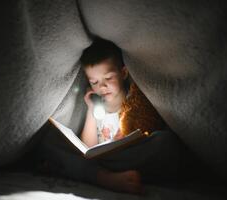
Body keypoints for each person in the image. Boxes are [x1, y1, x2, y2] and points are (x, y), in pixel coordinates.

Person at [37, 37, 185, 195]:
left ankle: (94, 174)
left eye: (108, 78)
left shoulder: (134, 102)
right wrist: (91, 110)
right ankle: (107, 178)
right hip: (101, 163)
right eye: (94, 82)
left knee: (166, 142)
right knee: (51, 141)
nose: (102, 86)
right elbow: (88, 148)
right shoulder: (97, 108)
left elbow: (145, 128)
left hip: (127, 158)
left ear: (123, 73)